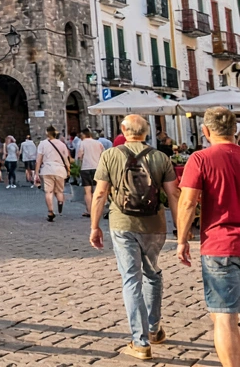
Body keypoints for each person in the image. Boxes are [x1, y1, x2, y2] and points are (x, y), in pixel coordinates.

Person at [90, 114, 179, 361]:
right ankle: (154, 329)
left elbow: (99, 194)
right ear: (146, 132)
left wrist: (94, 226)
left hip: (123, 223)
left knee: (131, 279)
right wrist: (181, 228)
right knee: (152, 274)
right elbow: (174, 195)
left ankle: (140, 343)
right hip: (154, 225)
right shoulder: (161, 157)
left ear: (123, 130)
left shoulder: (110, 155)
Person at [176, 107, 240, 367]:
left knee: (224, 315)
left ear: (205, 131)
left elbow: (188, 202)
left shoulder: (200, 159)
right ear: (235, 130)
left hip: (219, 243)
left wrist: (182, 239)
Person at [35, 126, 71, 222]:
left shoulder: (42, 144)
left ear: (47, 133)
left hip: (47, 169)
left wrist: (36, 172)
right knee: (59, 191)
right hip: (59, 170)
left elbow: (39, 160)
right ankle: (60, 203)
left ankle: (50, 211)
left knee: (49, 191)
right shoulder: (62, 144)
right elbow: (66, 159)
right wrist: (68, 169)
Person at [76, 130, 105, 218]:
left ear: (84, 135)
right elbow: (103, 155)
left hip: (86, 168)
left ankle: (89, 211)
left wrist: (80, 163)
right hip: (97, 168)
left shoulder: (82, 143)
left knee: (88, 192)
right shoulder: (98, 143)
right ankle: (98, 210)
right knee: (97, 191)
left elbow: (79, 156)